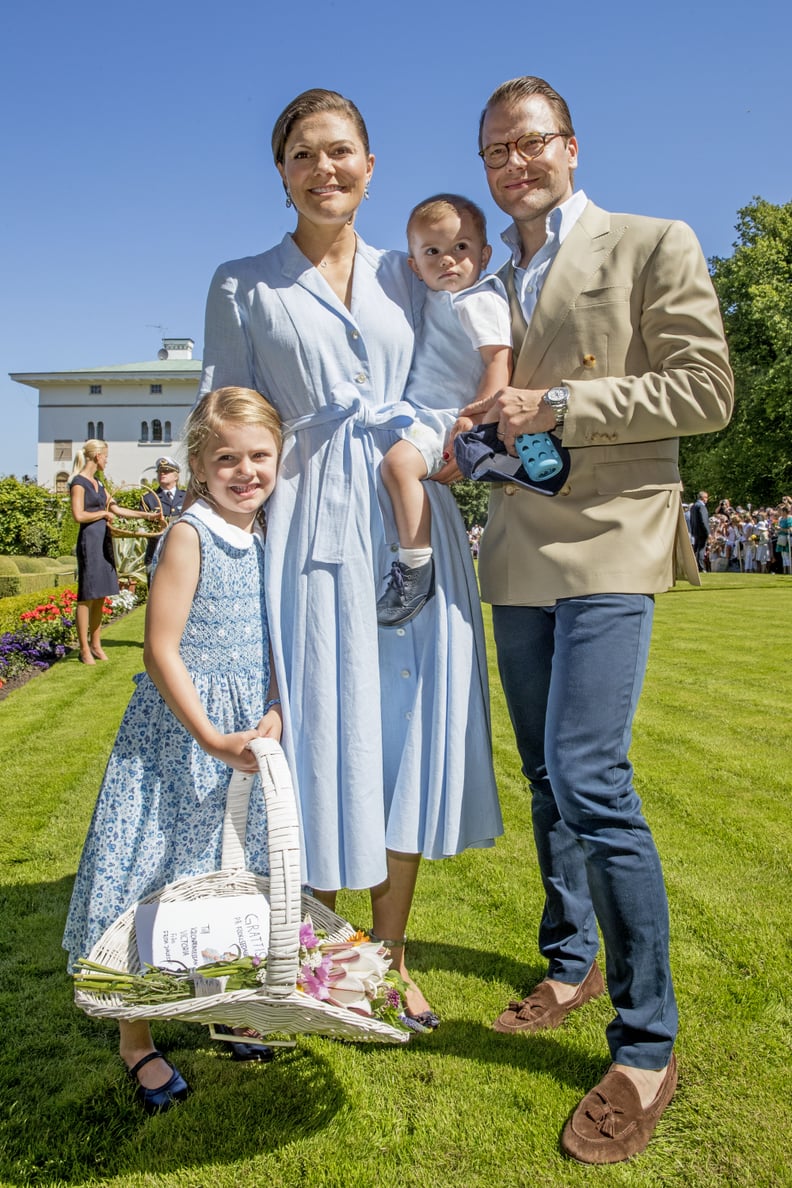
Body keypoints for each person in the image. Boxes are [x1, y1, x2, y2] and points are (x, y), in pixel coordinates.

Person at [198, 88, 502, 1030]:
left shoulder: (411, 270)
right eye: (303, 154)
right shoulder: (243, 282)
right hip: (305, 526)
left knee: (405, 731)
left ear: (371, 166)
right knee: (323, 729)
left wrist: (448, 450)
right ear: (282, 172)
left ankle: (394, 951)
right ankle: (317, 947)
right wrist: (216, 538)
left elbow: (460, 371)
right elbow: (228, 417)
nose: (324, 169)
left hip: (412, 517)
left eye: (341, 152)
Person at [471, 76, 733, 1163]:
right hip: (519, 544)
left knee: (591, 777)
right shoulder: (485, 275)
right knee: (541, 776)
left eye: (531, 143)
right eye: (497, 151)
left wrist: (568, 404)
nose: (515, 164)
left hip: (616, 533)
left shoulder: (651, 240)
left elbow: (708, 389)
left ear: (571, 147)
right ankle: (569, 961)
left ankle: (648, 1040)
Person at [63, 387, 284, 1112]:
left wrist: (276, 705)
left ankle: (221, 1003)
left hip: (245, 727)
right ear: (197, 463)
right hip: (183, 735)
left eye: (259, 456)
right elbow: (161, 651)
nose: (245, 471)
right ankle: (138, 1038)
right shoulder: (189, 533)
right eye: (227, 458)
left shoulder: (267, 530)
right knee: (158, 876)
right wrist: (211, 736)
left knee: (226, 875)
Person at [376, 194, 511, 626]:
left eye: (461, 249)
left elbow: (498, 360)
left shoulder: (478, 300)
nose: (448, 261)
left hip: (446, 417)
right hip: (418, 411)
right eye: (432, 252)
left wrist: (474, 424)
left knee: (397, 468)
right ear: (415, 265)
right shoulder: (431, 299)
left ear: (484, 255)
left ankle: (415, 569)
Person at [69, 439, 162, 665]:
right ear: (97, 456)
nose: (107, 461)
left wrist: (147, 516)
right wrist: (102, 514)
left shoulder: (99, 484)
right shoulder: (78, 483)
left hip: (103, 541)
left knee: (100, 595)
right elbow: (79, 515)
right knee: (86, 596)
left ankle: (96, 645)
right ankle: (83, 649)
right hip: (89, 542)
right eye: (106, 457)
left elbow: (118, 510)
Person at [142, 456, 187, 572]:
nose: (162, 474)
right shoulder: (149, 498)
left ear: (176, 476)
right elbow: (144, 527)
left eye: (166, 471)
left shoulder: (186, 497)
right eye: (160, 472)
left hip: (181, 553)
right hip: (156, 553)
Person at [689, 491, 710, 572]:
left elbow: (691, 520)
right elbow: (703, 521)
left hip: (695, 531)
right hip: (702, 532)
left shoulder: (694, 506)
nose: (707, 499)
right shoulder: (701, 506)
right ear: (703, 498)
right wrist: (708, 532)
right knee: (701, 549)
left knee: (696, 549)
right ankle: (700, 567)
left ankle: (694, 566)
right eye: (706, 497)